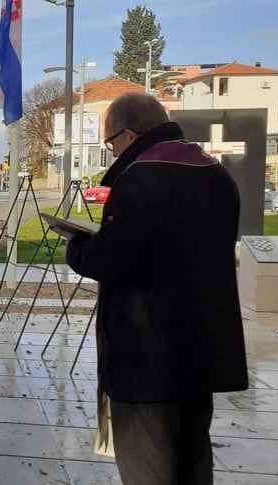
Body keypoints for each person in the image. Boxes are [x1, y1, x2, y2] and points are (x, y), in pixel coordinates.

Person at [57, 93, 248, 484]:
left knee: (148, 463)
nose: (111, 153)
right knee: (193, 459)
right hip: (203, 350)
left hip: (146, 356)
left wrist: (76, 244)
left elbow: (108, 259)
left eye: (110, 144)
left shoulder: (141, 178)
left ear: (128, 135)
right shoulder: (216, 175)